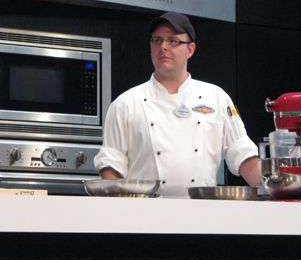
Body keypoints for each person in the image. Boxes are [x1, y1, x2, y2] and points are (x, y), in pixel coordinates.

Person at [94, 11, 260, 197]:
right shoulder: (125, 104)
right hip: (144, 217)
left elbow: (243, 155)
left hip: (202, 214)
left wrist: (275, 190)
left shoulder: (216, 97)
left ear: (190, 49)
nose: (163, 47)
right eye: (157, 40)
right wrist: (119, 210)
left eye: (172, 41)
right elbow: (111, 165)